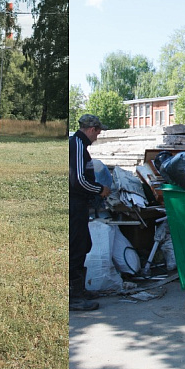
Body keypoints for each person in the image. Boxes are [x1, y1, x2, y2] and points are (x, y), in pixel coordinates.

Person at [69, 114, 111, 311]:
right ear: (92, 129)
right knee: (76, 247)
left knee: (84, 244)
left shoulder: (80, 145)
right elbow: (78, 180)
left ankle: (79, 289)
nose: (98, 136)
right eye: (98, 132)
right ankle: (73, 296)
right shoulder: (77, 145)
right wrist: (100, 189)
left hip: (79, 204)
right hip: (74, 204)